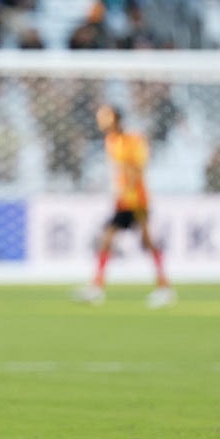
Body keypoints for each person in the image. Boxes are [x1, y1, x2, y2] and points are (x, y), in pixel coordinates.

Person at [74, 104, 174, 308]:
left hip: (136, 199)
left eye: (105, 117)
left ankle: (164, 288)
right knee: (107, 239)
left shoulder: (133, 140)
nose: (100, 120)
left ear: (116, 118)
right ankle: (97, 286)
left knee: (146, 241)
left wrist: (128, 187)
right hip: (123, 200)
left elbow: (138, 168)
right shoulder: (111, 141)